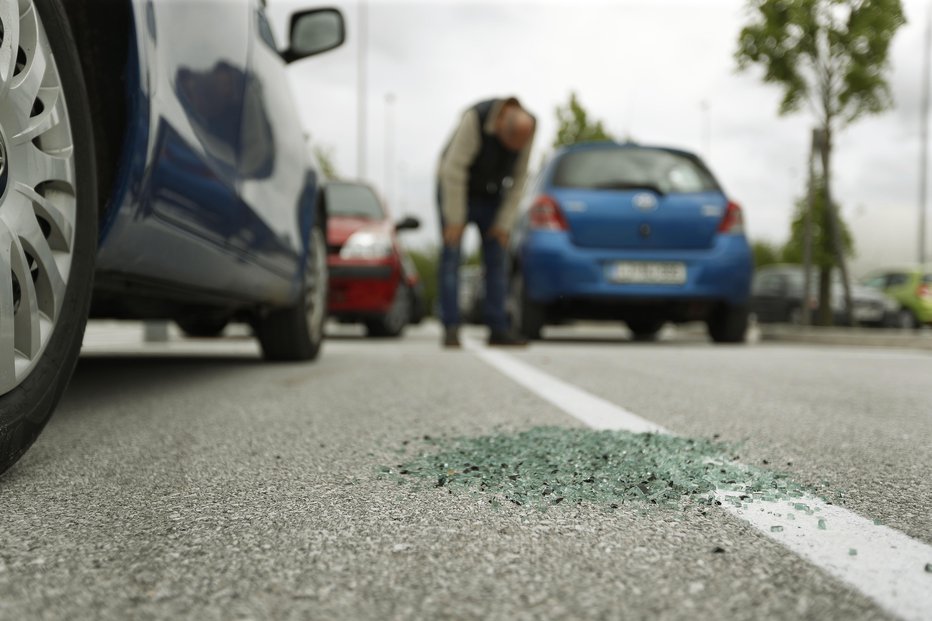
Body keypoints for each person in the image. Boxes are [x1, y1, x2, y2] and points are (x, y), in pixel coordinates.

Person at [436, 97, 536, 348]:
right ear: (501, 125)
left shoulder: (528, 127)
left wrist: (504, 223)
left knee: (497, 257)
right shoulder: (475, 119)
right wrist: (455, 219)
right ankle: (451, 326)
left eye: (518, 147)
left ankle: (498, 328)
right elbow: (454, 169)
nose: (513, 151)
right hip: (456, 186)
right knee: (452, 255)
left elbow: (520, 177)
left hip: (491, 193)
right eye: (509, 144)